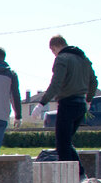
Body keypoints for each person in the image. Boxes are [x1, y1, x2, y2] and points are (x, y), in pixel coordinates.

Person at [39, 35, 97, 167]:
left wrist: (42, 103)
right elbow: (94, 81)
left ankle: (70, 175)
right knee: (66, 141)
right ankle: (80, 173)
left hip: (67, 104)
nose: (54, 54)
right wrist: (88, 100)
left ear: (54, 47)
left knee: (62, 144)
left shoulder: (62, 58)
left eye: (52, 51)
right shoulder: (83, 59)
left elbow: (56, 84)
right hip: (81, 104)